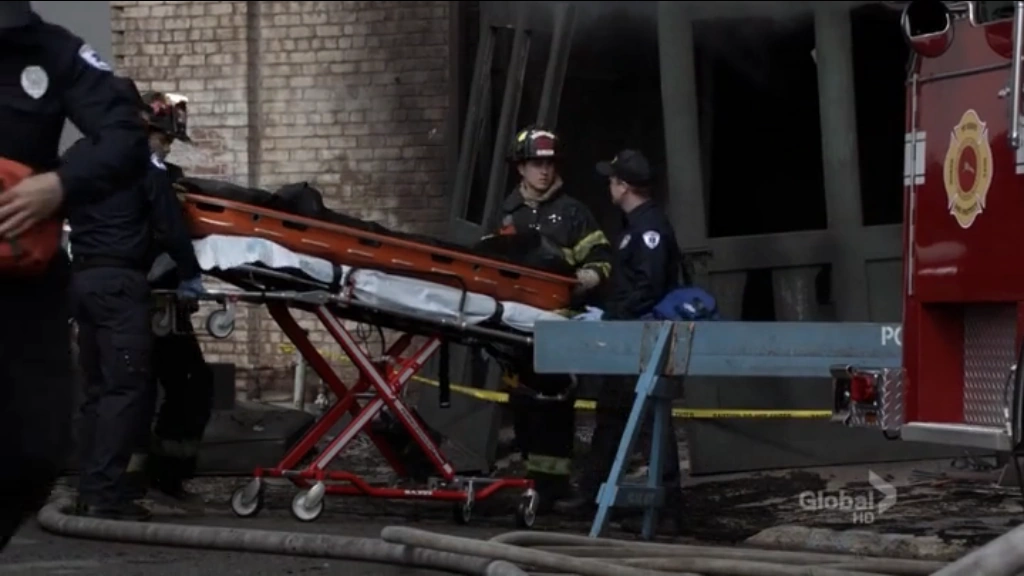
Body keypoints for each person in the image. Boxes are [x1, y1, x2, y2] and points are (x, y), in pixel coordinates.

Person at [0, 1, 150, 548]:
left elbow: (124, 133)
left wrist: (60, 184)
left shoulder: (54, 50)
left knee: (37, 447)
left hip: (24, 290)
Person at [68, 78, 204, 522]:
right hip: (121, 285)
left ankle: (88, 488)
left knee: (97, 390)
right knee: (126, 389)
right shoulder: (140, 162)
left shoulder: (77, 156)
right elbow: (168, 224)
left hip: (83, 279)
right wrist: (190, 273)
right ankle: (105, 496)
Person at [556, 149, 685, 533]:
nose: (609, 187)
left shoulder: (649, 229)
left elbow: (648, 287)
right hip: (627, 337)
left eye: (612, 180)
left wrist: (611, 318)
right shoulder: (634, 226)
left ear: (624, 186)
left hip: (642, 339)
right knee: (611, 414)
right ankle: (592, 493)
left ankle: (668, 509)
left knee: (650, 422)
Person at [496, 127, 613, 511]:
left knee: (556, 406)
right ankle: (534, 480)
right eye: (536, 163)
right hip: (517, 327)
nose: (544, 171)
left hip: (560, 322)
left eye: (549, 164)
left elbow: (602, 257)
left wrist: (588, 277)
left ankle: (553, 486)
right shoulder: (508, 213)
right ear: (521, 168)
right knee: (524, 405)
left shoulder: (574, 212)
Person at [129, 89, 213, 508]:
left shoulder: (162, 176)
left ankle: (160, 477)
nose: (166, 147)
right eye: (163, 138)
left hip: (161, 300)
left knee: (185, 385)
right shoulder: (140, 176)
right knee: (163, 387)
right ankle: (149, 480)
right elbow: (166, 233)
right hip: (145, 299)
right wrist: (189, 273)